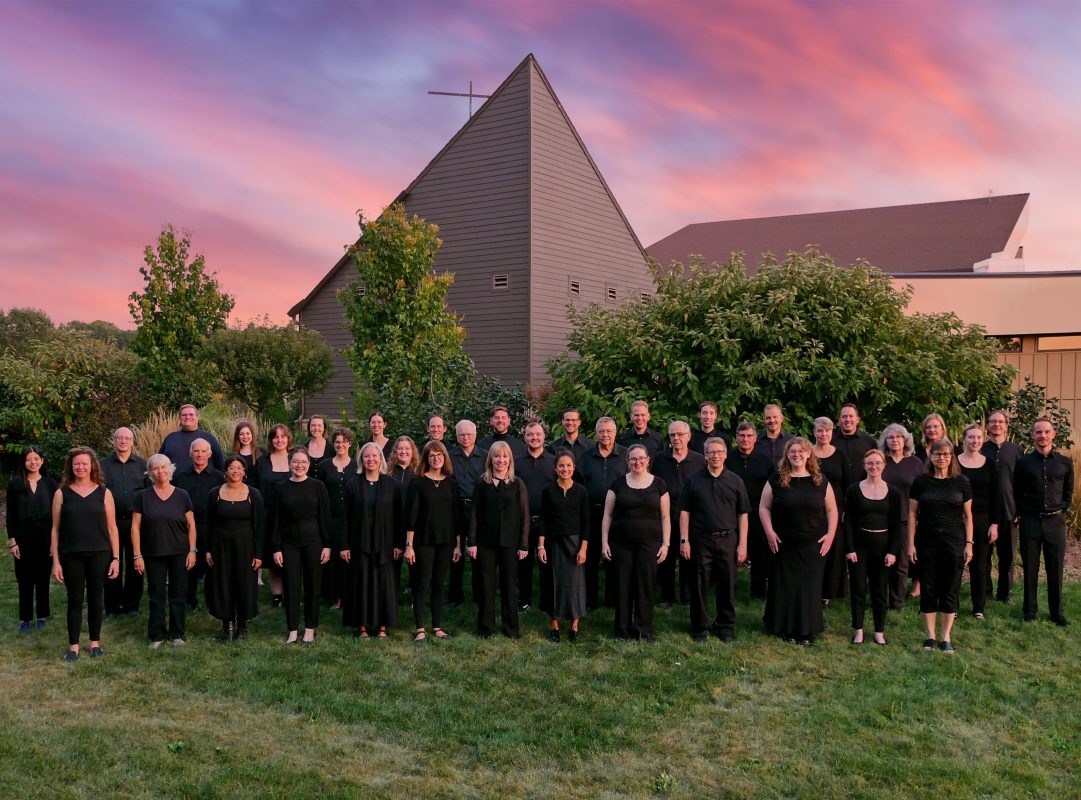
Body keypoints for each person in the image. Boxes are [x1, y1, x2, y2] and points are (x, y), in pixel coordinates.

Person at [759, 437, 838, 645]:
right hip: (783, 543)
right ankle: (785, 628)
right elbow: (763, 507)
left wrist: (830, 535)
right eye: (792, 451)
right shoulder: (776, 479)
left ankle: (806, 630)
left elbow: (832, 510)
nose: (797, 455)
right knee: (786, 586)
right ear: (787, 455)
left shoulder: (820, 480)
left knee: (809, 587)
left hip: (813, 544)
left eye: (801, 451)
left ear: (809, 454)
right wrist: (769, 532)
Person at [51, 447, 120, 661]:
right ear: (71, 468)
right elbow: (55, 528)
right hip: (71, 554)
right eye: (76, 464)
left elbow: (112, 528)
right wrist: (56, 562)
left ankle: (94, 643)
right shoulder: (61, 493)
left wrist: (116, 558)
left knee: (95, 599)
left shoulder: (104, 492)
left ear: (92, 466)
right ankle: (73, 646)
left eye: (84, 463)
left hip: (99, 553)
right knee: (74, 599)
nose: (81, 467)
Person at [679, 437, 750, 642]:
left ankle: (725, 627)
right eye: (711, 452)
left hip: (728, 540)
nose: (715, 455)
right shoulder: (694, 480)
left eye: (719, 452)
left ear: (726, 454)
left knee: (727, 585)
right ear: (705, 455)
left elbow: (743, 514)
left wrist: (742, 544)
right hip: (701, 540)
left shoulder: (736, 481)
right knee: (699, 585)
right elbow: (684, 511)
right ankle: (700, 627)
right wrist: (685, 540)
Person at [601, 443, 671, 642]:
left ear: (648, 460)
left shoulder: (659, 484)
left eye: (641, 458)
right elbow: (607, 515)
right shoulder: (618, 484)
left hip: (650, 544)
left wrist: (666, 544)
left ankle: (644, 629)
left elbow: (665, 517)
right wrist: (605, 542)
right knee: (623, 586)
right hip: (621, 544)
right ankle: (622, 629)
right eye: (633, 458)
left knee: (645, 586)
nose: (637, 462)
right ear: (627, 462)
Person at [908, 439, 973, 653]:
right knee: (928, 587)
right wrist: (911, 543)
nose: (941, 458)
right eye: (937, 454)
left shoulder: (961, 481)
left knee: (949, 588)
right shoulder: (920, 482)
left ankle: (946, 637)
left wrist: (969, 544)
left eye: (946, 454)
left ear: (952, 456)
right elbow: (912, 514)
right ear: (930, 456)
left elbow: (967, 516)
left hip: (954, 542)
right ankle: (930, 636)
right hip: (926, 541)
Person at [466, 441, 529, 639]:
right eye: (496, 456)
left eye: (504, 456)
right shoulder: (482, 482)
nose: (500, 460)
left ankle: (511, 627)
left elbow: (525, 516)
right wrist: (472, 542)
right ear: (490, 459)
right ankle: (486, 627)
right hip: (485, 543)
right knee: (486, 585)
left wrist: (524, 544)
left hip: (510, 544)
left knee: (509, 586)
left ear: (509, 459)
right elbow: (474, 513)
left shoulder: (517, 483)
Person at [133, 454, 197, 647]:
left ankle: (177, 633)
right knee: (156, 595)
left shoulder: (182, 495)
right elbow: (135, 527)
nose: (160, 471)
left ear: (171, 469)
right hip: (153, 553)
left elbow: (191, 525)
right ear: (150, 472)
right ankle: (157, 635)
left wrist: (192, 550)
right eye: (156, 468)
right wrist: (137, 555)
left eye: (164, 467)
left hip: (179, 552)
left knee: (178, 594)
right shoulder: (142, 497)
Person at [1014, 417, 1073, 626]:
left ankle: (1057, 613)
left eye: (1046, 432)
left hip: (1055, 522)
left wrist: (1060, 509)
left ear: (1053, 434)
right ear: (1032, 435)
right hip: (1030, 521)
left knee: (1055, 568)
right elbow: (1016, 491)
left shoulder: (1065, 463)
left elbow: (1068, 493)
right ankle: (1029, 611)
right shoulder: (1023, 464)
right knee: (1030, 567)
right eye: (1038, 432)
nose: (1043, 436)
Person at [342, 442, 403, 638]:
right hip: (359, 543)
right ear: (361, 459)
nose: (371, 459)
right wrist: (344, 545)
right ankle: (362, 627)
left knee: (384, 584)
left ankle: (382, 627)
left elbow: (399, 516)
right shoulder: (352, 484)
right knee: (361, 584)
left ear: (381, 459)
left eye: (374, 456)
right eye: (367, 456)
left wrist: (399, 544)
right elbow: (345, 517)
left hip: (385, 544)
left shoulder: (392, 484)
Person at [272, 447, 332, 644]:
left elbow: (325, 517)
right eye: (296, 462)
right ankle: (292, 629)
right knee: (291, 587)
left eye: (303, 462)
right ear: (289, 464)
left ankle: (309, 628)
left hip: (314, 542)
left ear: (308, 465)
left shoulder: (318, 486)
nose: (299, 465)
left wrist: (327, 545)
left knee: (313, 586)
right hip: (289, 544)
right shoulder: (280, 488)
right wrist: (276, 547)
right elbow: (276, 520)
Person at [404, 440, 463, 641]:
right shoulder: (418, 482)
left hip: (446, 542)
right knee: (422, 583)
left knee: (439, 583)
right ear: (426, 459)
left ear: (445, 457)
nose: (436, 458)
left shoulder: (452, 483)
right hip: (423, 541)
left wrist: (457, 545)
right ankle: (420, 628)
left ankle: (437, 626)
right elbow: (411, 515)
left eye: (440, 455)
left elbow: (456, 516)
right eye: (432, 455)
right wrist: (409, 546)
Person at [844, 450, 902, 645]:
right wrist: (850, 548)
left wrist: (893, 551)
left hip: (883, 547)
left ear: (884, 465)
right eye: (870, 463)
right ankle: (858, 630)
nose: (874, 467)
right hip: (859, 547)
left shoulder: (893, 492)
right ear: (864, 465)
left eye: (877, 463)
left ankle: (879, 631)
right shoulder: (854, 490)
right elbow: (849, 521)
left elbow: (896, 525)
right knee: (858, 589)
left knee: (879, 591)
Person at [206, 456, 264, 642]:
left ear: (244, 471)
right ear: (225, 471)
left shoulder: (253, 494)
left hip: (246, 547)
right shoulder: (214, 493)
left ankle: (243, 625)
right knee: (223, 584)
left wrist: (259, 553)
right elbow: (208, 524)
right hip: (220, 546)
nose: (235, 471)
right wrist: (207, 549)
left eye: (239, 468)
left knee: (244, 584)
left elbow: (260, 526)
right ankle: (228, 625)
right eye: (232, 468)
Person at [652, 419, 705, 607]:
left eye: (680, 434)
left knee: (688, 557)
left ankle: (688, 596)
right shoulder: (659, 459)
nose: (676, 438)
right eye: (672, 435)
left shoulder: (699, 460)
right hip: (665, 515)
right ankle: (667, 597)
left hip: (691, 515)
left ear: (689, 436)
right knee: (666, 557)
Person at [577, 416, 627, 610]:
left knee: (614, 558)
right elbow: (579, 484)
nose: (605, 435)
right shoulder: (586, 456)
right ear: (596, 434)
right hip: (592, 513)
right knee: (590, 560)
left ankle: (613, 599)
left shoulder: (624, 455)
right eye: (601, 431)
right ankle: (590, 601)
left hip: (617, 516)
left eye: (608, 431)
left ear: (615, 432)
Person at [539, 451, 590, 642]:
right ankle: (555, 627)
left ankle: (575, 626)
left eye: (568, 465)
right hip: (553, 543)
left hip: (575, 544)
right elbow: (543, 519)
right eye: (561, 466)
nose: (565, 469)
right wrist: (541, 546)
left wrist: (583, 548)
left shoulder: (581, 491)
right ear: (555, 468)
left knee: (575, 585)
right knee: (554, 584)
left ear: (574, 468)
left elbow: (586, 522)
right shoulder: (548, 491)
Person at [6, 447, 58, 632]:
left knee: (43, 578)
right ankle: (25, 618)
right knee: (24, 579)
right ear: (24, 462)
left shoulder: (51, 485)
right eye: (29, 459)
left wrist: (54, 542)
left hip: (45, 537)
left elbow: (57, 516)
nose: (33, 462)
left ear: (42, 461)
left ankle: (42, 615)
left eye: (36, 458)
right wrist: (12, 541)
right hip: (23, 538)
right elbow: (10, 516)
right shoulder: (15, 485)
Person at [173, 438, 225, 612]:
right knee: (188, 566)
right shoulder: (180, 477)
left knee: (212, 565)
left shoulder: (219, 477)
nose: (200, 454)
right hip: (186, 528)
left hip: (211, 527)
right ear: (190, 453)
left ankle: (213, 601)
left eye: (203, 451)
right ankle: (189, 600)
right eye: (196, 451)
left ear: (210, 454)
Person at [102, 427, 148, 617]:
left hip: (135, 523)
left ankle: (131, 605)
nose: (123, 441)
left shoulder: (142, 465)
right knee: (112, 563)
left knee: (134, 563)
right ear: (114, 441)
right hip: (110, 523)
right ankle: (112, 606)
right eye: (119, 438)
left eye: (127, 438)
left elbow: (148, 493)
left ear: (132, 441)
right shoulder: (102, 464)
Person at [957, 424, 1000, 620]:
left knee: (980, 564)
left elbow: (996, 496)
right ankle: (952, 606)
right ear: (963, 440)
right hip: (956, 519)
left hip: (982, 520)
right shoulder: (954, 463)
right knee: (956, 563)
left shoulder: (989, 464)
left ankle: (978, 608)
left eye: (978, 437)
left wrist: (994, 523)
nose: (975, 441)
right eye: (971, 437)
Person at [727, 421, 774, 600]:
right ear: (736, 438)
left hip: (758, 513)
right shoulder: (728, 459)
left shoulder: (764, 460)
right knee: (731, 554)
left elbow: (772, 486)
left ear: (755, 438)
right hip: (732, 514)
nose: (745, 439)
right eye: (741, 436)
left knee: (760, 555)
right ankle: (729, 590)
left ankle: (758, 593)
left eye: (749, 436)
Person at [982, 409, 1025, 603]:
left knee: (1007, 556)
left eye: (1000, 422)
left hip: (1010, 510)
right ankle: (985, 591)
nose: (996, 425)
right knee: (983, 556)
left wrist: (1020, 510)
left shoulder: (1017, 450)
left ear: (1006, 425)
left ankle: (1005, 593)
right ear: (987, 426)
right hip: (983, 511)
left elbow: (1022, 482)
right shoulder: (980, 448)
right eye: (992, 422)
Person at [880, 423, 924, 609]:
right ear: (885, 441)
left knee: (901, 561)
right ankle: (880, 598)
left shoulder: (915, 463)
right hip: (881, 517)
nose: (895, 440)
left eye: (899, 437)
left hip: (907, 519)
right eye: (891, 437)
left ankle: (896, 602)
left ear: (905, 440)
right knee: (881, 560)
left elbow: (923, 491)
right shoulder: (880, 460)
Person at [315, 427, 357, 611]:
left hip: (351, 518)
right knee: (330, 558)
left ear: (350, 443)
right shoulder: (324, 466)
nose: (340, 445)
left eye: (344, 441)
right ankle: (333, 597)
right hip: (329, 517)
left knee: (347, 557)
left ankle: (348, 595)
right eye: (337, 442)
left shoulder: (357, 466)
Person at [517, 421, 556, 613]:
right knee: (523, 564)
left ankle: (546, 602)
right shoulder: (516, 462)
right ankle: (523, 600)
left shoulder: (553, 461)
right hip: (522, 521)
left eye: (538, 434)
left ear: (544, 436)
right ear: (525, 437)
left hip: (546, 521)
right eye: (530, 434)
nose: (534, 438)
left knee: (546, 563)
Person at [448, 420, 487, 606]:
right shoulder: (449, 457)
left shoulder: (485, 457)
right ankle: (455, 596)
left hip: (478, 510)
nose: (465, 437)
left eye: (469, 434)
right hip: (455, 509)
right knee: (455, 554)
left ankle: (480, 595)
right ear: (456, 436)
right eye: (461, 434)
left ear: (475, 434)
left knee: (477, 552)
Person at [812, 417, 850, 603]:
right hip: (812, 509)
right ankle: (814, 589)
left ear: (832, 433)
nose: (823, 434)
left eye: (827, 431)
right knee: (816, 549)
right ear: (814, 433)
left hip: (837, 509)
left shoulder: (840, 454)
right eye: (820, 431)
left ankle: (829, 592)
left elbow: (848, 483)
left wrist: (846, 510)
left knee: (834, 550)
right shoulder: (808, 453)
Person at [256, 423, 293, 608]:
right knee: (273, 557)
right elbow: (255, 488)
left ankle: (291, 593)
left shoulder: (295, 459)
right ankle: (277, 595)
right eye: (275, 437)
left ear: (288, 439)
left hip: (292, 515)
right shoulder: (263, 461)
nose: (279, 440)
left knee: (290, 555)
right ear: (271, 440)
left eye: (283, 436)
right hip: (269, 514)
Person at [386, 435, 419, 595]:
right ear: (395, 451)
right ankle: (393, 594)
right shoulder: (388, 473)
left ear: (412, 451)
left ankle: (415, 592)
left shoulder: (419, 472)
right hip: (393, 523)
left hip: (415, 523)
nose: (403, 451)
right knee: (394, 560)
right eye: (400, 448)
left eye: (407, 448)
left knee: (415, 562)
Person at [159, 403, 224, 472]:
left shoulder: (209, 438)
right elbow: (159, 462)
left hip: (202, 481)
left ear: (198, 417)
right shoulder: (170, 438)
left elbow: (220, 465)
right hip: (173, 482)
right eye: (184, 415)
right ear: (180, 418)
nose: (187, 417)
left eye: (191, 414)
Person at [831, 403, 878, 479]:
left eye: (851, 416)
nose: (848, 419)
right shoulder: (830, 440)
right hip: (836, 489)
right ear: (839, 420)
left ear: (857, 419)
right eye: (844, 417)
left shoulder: (870, 441)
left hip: (862, 488)